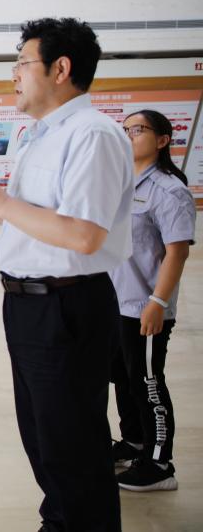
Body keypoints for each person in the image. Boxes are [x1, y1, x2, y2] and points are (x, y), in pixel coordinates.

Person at [0, 17, 131, 532]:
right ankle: (60, 519)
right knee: (44, 438)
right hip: (28, 304)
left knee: (73, 443)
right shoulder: (38, 135)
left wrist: (0, 203)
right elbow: (35, 220)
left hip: (66, 306)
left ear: (60, 69)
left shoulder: (93, 135)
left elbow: (84, 236)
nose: (14, 75)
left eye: (23, 63)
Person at [108, 110, 194, 492]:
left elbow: (177, 252)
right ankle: (135, 443)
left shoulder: (169, 190)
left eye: (137, 129)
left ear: (162, 140)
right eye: (125, 129)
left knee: (148, 383)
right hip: (117, 303)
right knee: (123, 378)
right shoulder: (122, 185)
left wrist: (158, 302)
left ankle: (160, 464)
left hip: (145, 307)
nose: (129, 135)